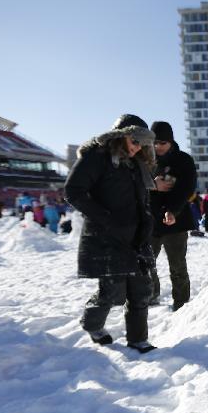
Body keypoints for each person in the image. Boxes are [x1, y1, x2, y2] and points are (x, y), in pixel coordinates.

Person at [64, 114, 157, 353]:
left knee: (141, 290)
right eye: (135, 141)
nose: (138, 147)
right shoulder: (97, 158)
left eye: (142, 143)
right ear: (120, 136)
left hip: (135, 235)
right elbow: (73, 190)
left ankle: (138, 339)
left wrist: (147, 222)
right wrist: (105, 219)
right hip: (108, 236)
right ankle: (92, 323)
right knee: (113, 291)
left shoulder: (136, 163)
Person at [148, 121, 196, 311]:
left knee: (177, 266)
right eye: (155, 143)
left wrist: (172, 210)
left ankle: (181, 303)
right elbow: (134, 186)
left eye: (163, 143)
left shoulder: (183, 160)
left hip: (176, 221)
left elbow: (186, 189)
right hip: (150, 221)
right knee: (146, 263)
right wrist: (152, 184)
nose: (158, 147)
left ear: (171, 141)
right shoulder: (145, 160)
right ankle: (151, 294)